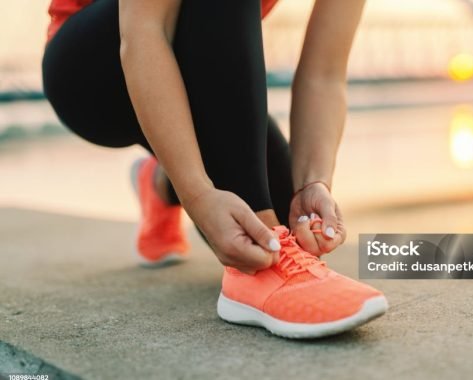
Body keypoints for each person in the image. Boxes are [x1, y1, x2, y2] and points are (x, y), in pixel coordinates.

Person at [42, 0, 388, 338]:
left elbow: (324, 74)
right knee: (264, 241)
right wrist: (197, 194)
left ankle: (160, 184)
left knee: (288, 222)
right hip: (94, 72)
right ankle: (253, 276)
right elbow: (144, 31)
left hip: (193, 76)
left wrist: (313, 183)